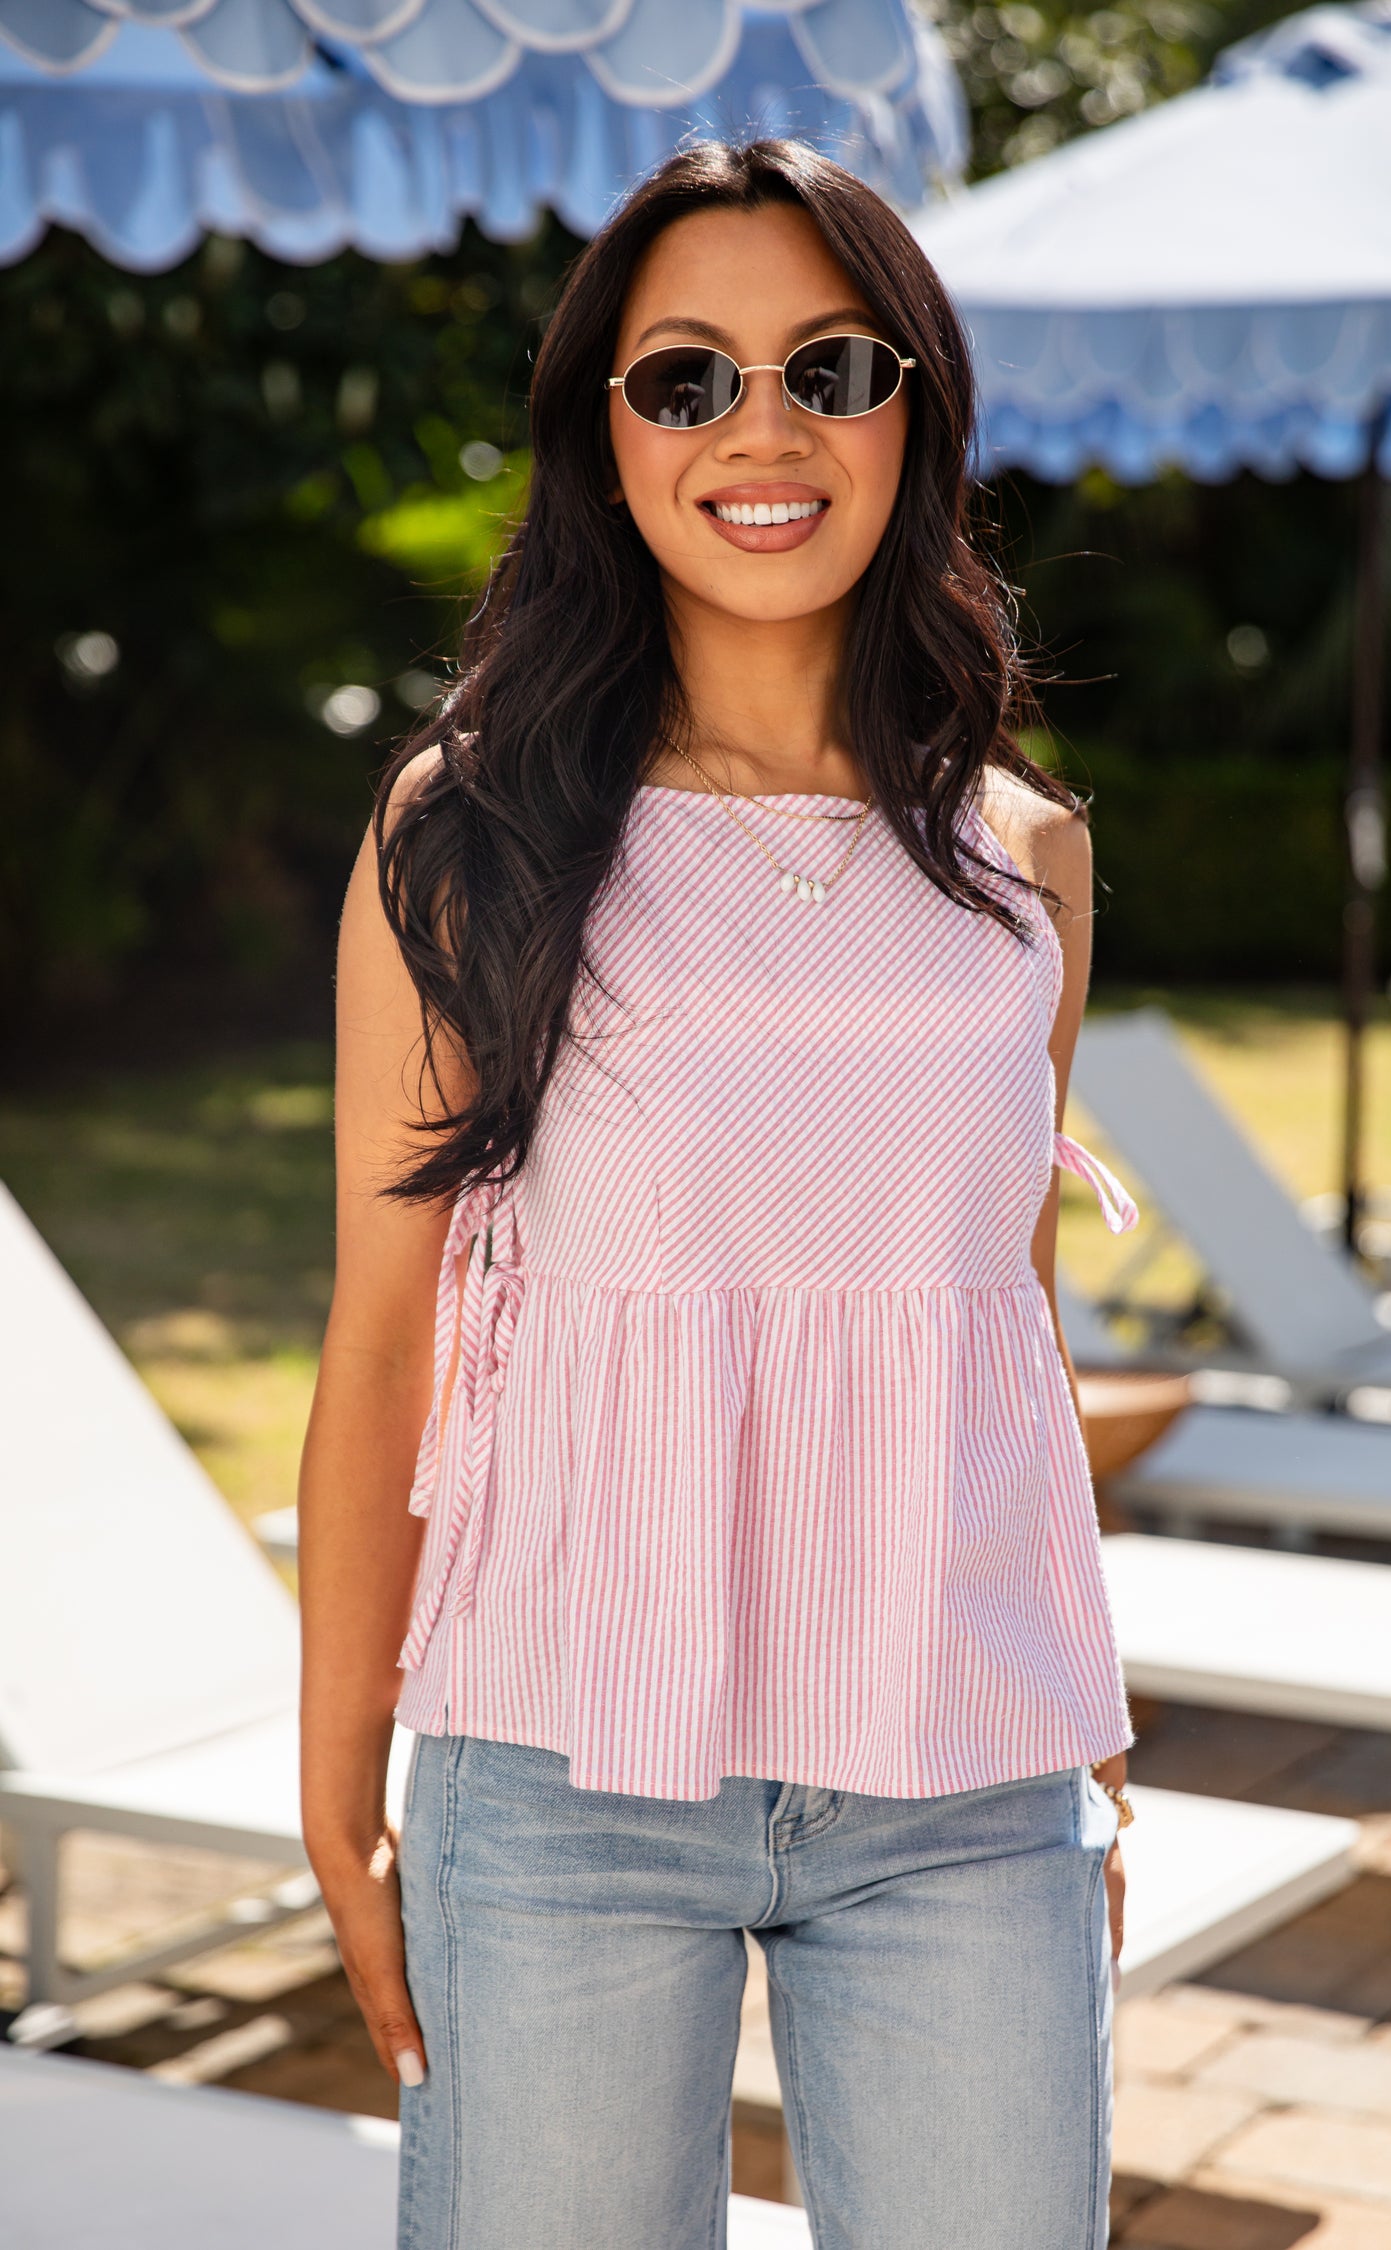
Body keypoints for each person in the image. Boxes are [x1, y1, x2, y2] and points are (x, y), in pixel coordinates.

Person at [298, 138, 1138, 2250]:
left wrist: (1080, 1746)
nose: (760, 433)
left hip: (963, 1778)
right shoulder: (464, 826)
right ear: (604, 430)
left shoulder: (1023, 860)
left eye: (829, 368)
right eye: (685, 380)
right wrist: (338, 1789)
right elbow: (384, 1336)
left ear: (913, 414)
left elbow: (1004, 1320)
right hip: (562, 1767)